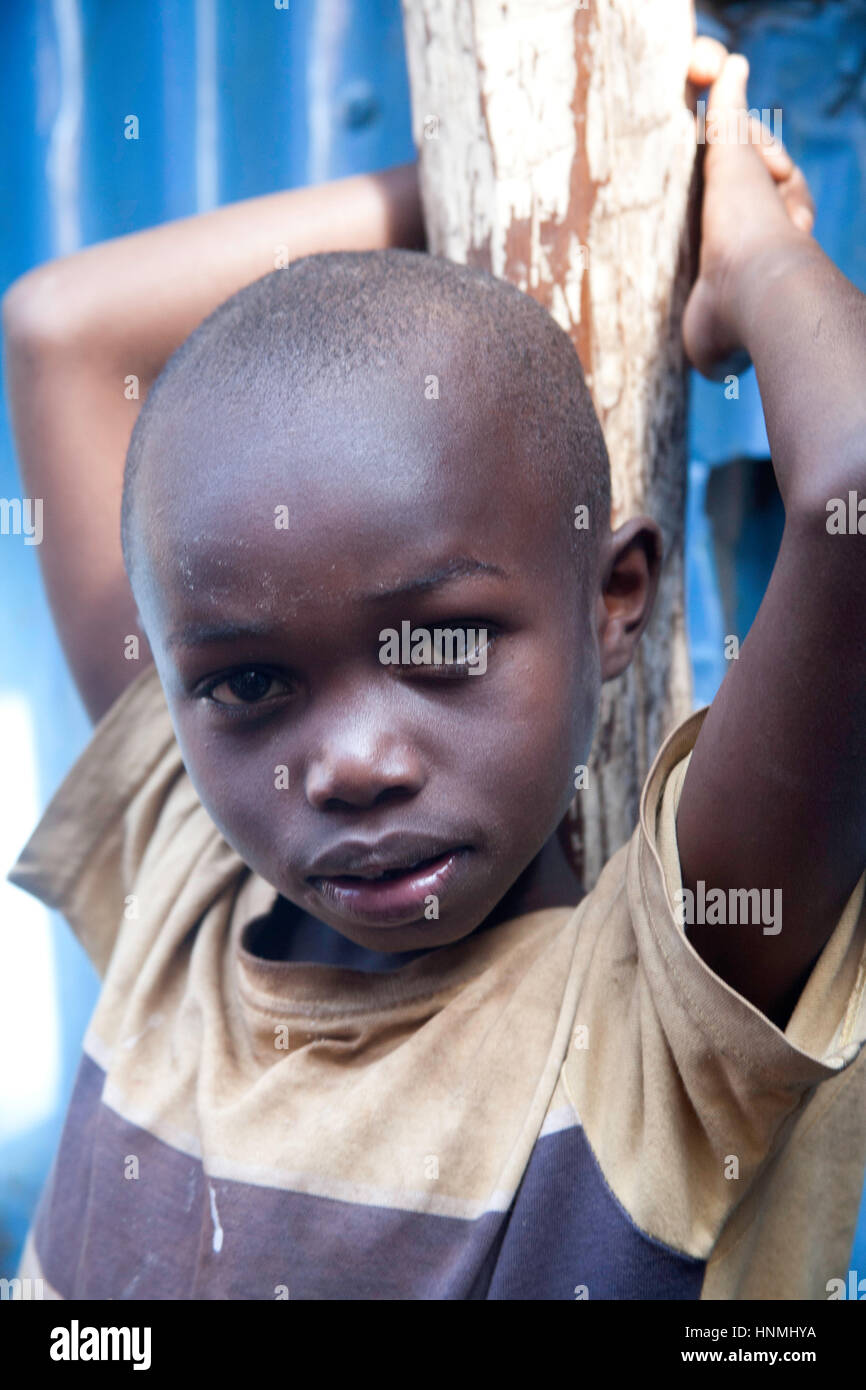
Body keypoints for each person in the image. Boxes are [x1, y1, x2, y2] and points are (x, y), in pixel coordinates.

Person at [4, 39, 866, 1300]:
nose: (349, 764)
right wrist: (543, 185)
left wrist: (744, 256)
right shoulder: (177, 872)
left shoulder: (656, 1028)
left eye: (444, 644)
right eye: (248, 685)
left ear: (613, 598)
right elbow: (53, 328)